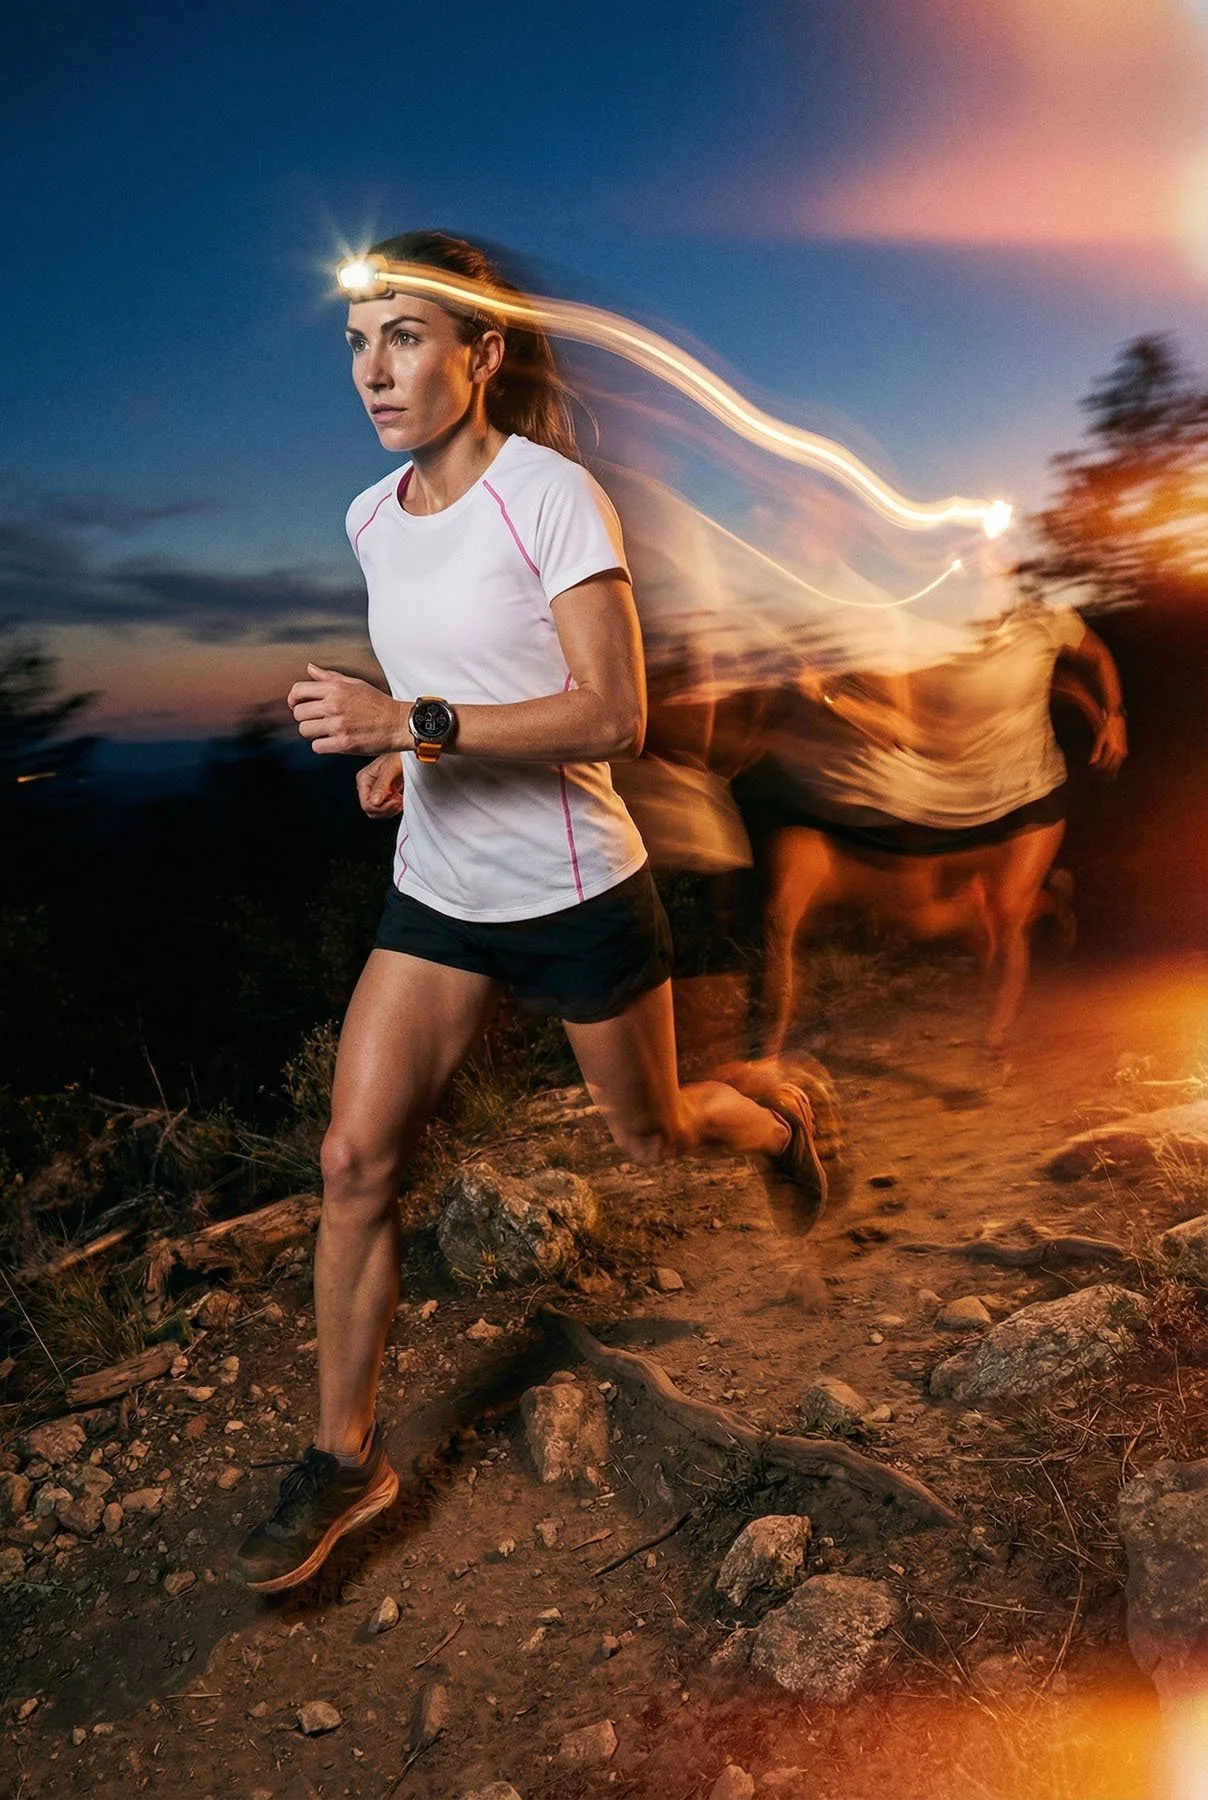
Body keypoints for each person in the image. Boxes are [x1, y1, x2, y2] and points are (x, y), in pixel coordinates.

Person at [229, 231, 827, 1593]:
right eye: (357, 343)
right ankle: (344, 1460)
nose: (373, 371)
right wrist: (405, 753)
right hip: (439, 896)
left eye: (406, 337)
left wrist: (411, 719)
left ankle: (775, 1115)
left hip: (576, 894)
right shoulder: (369, 518)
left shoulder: (552, 497)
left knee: (658, 1132)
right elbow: (457, 685)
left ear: (481, 352)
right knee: (352, 1164)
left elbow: (613, 714)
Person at [746, 595, 1127, 1056]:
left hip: (1031, 790)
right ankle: (1032, 903)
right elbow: (913, 718)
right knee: (909, 921)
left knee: (1006, 914)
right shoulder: (927, 626)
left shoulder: (1043, 617)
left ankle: (994, 1043)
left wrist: (1114, 715)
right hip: (955, 798)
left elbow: (1096, 654)